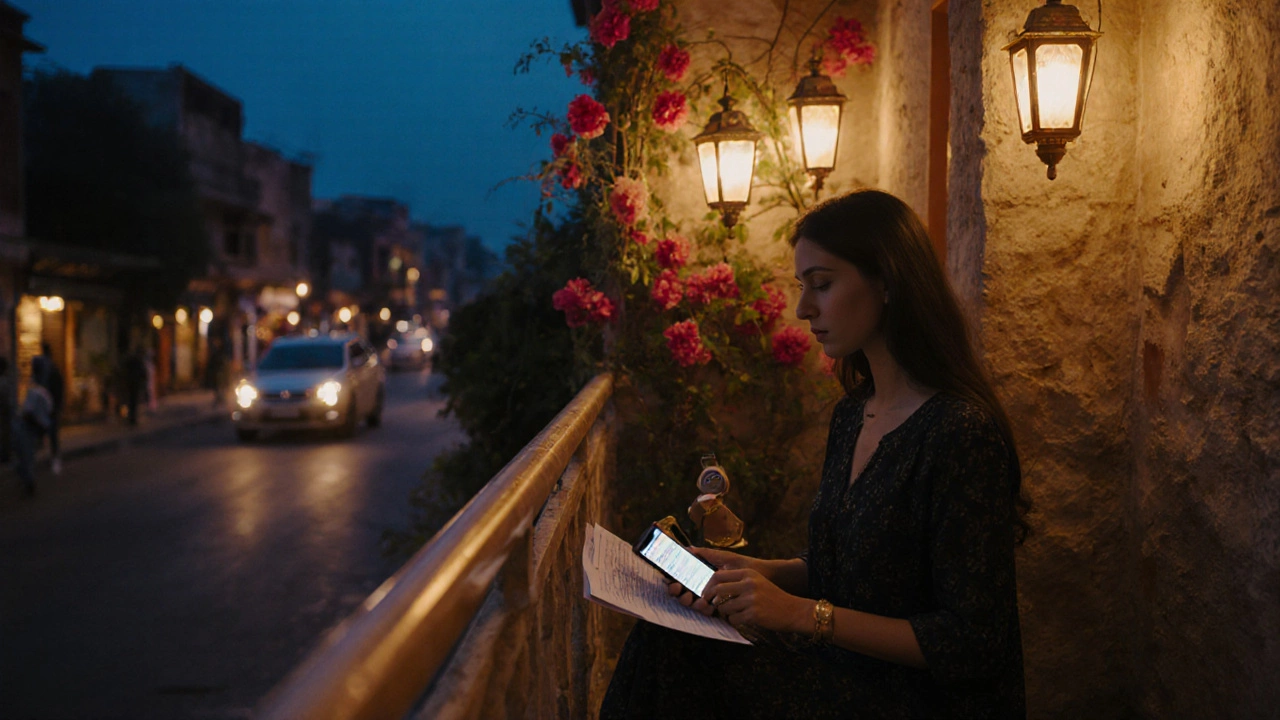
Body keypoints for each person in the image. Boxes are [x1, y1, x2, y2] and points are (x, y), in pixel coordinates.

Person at [600, 190, 1028, 719]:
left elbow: (974, 642)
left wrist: (801, 614)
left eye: (821, 285)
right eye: (803, 287)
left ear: (888, 281)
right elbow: (853, 567)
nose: (804, 309)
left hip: (913, 696)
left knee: (679, 657)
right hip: (842, 667)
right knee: (671, 633)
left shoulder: (960, 434)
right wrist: (753, 571)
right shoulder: (853, 415)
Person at [13, 356, 54, 497]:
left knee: (27, 457)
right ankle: (28, 484)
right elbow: (28, 413)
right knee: (25, 458)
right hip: (26, 429)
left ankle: (28, 483)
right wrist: (39, 425)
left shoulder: (40, 388)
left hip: (30, 429)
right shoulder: (35, 389)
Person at [39, 343, 65, 474]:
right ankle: (53, 457)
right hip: (50, 405)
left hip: (50, 406)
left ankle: (54, 458)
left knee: (52, 433)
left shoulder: (50, 369)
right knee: (50, 432)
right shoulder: (50, 368)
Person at [124, 348, 146, 426]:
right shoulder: (139, 362)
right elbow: (143, 373)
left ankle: (131, 417)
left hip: (131, 383)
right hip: (136, 383)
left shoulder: (131, 362)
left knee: (131, 401)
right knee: (134, 401)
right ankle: (133, 417)